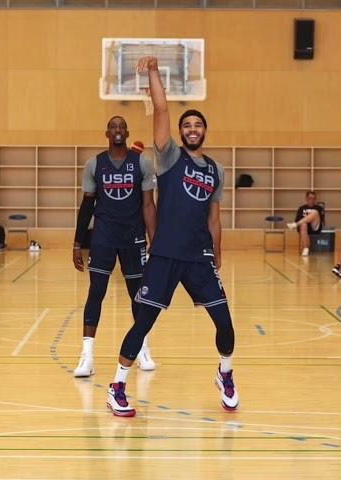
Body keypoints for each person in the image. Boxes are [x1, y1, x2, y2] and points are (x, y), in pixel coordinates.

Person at [106, 57, 238, 417]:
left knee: (225, 325)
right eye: (187, 125)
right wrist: (153, 73)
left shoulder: (216, 170)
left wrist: (218, 254)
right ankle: (117, 386)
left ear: (205, 132)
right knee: (143, 322)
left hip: (200, 259)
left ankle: (225, 374)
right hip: (164, 255)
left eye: (198, 124)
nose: (193, 128)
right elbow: (161, 109)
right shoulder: (168, 158)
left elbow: (215, 217)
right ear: (181, 133)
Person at [72, 116, 158, 377]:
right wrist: (77, 243)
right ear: (106, 133)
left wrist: (156, 241)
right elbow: (87, 206)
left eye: (122, 126)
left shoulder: (142, 163)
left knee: (138, 294)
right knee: (96, 291)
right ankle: (87, 356)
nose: (118, 130)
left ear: (127, 132)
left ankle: (142, 347)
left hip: (133, 237)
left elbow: (148, 205)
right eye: (113, 126)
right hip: (103, 237)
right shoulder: (94, 164)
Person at [287, 191, 324, 256]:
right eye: (310, 198)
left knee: (315, 213)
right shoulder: (301, 208)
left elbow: (320, 219)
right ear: (306, 199)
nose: (312, 200)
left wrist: (310, 218)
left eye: (314, 198)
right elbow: (297, 219)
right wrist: (305, 221)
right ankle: (306, 249)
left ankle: (294, 225)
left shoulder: (319, 208)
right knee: (303, 224)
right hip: (304, 228)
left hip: (315, 227)